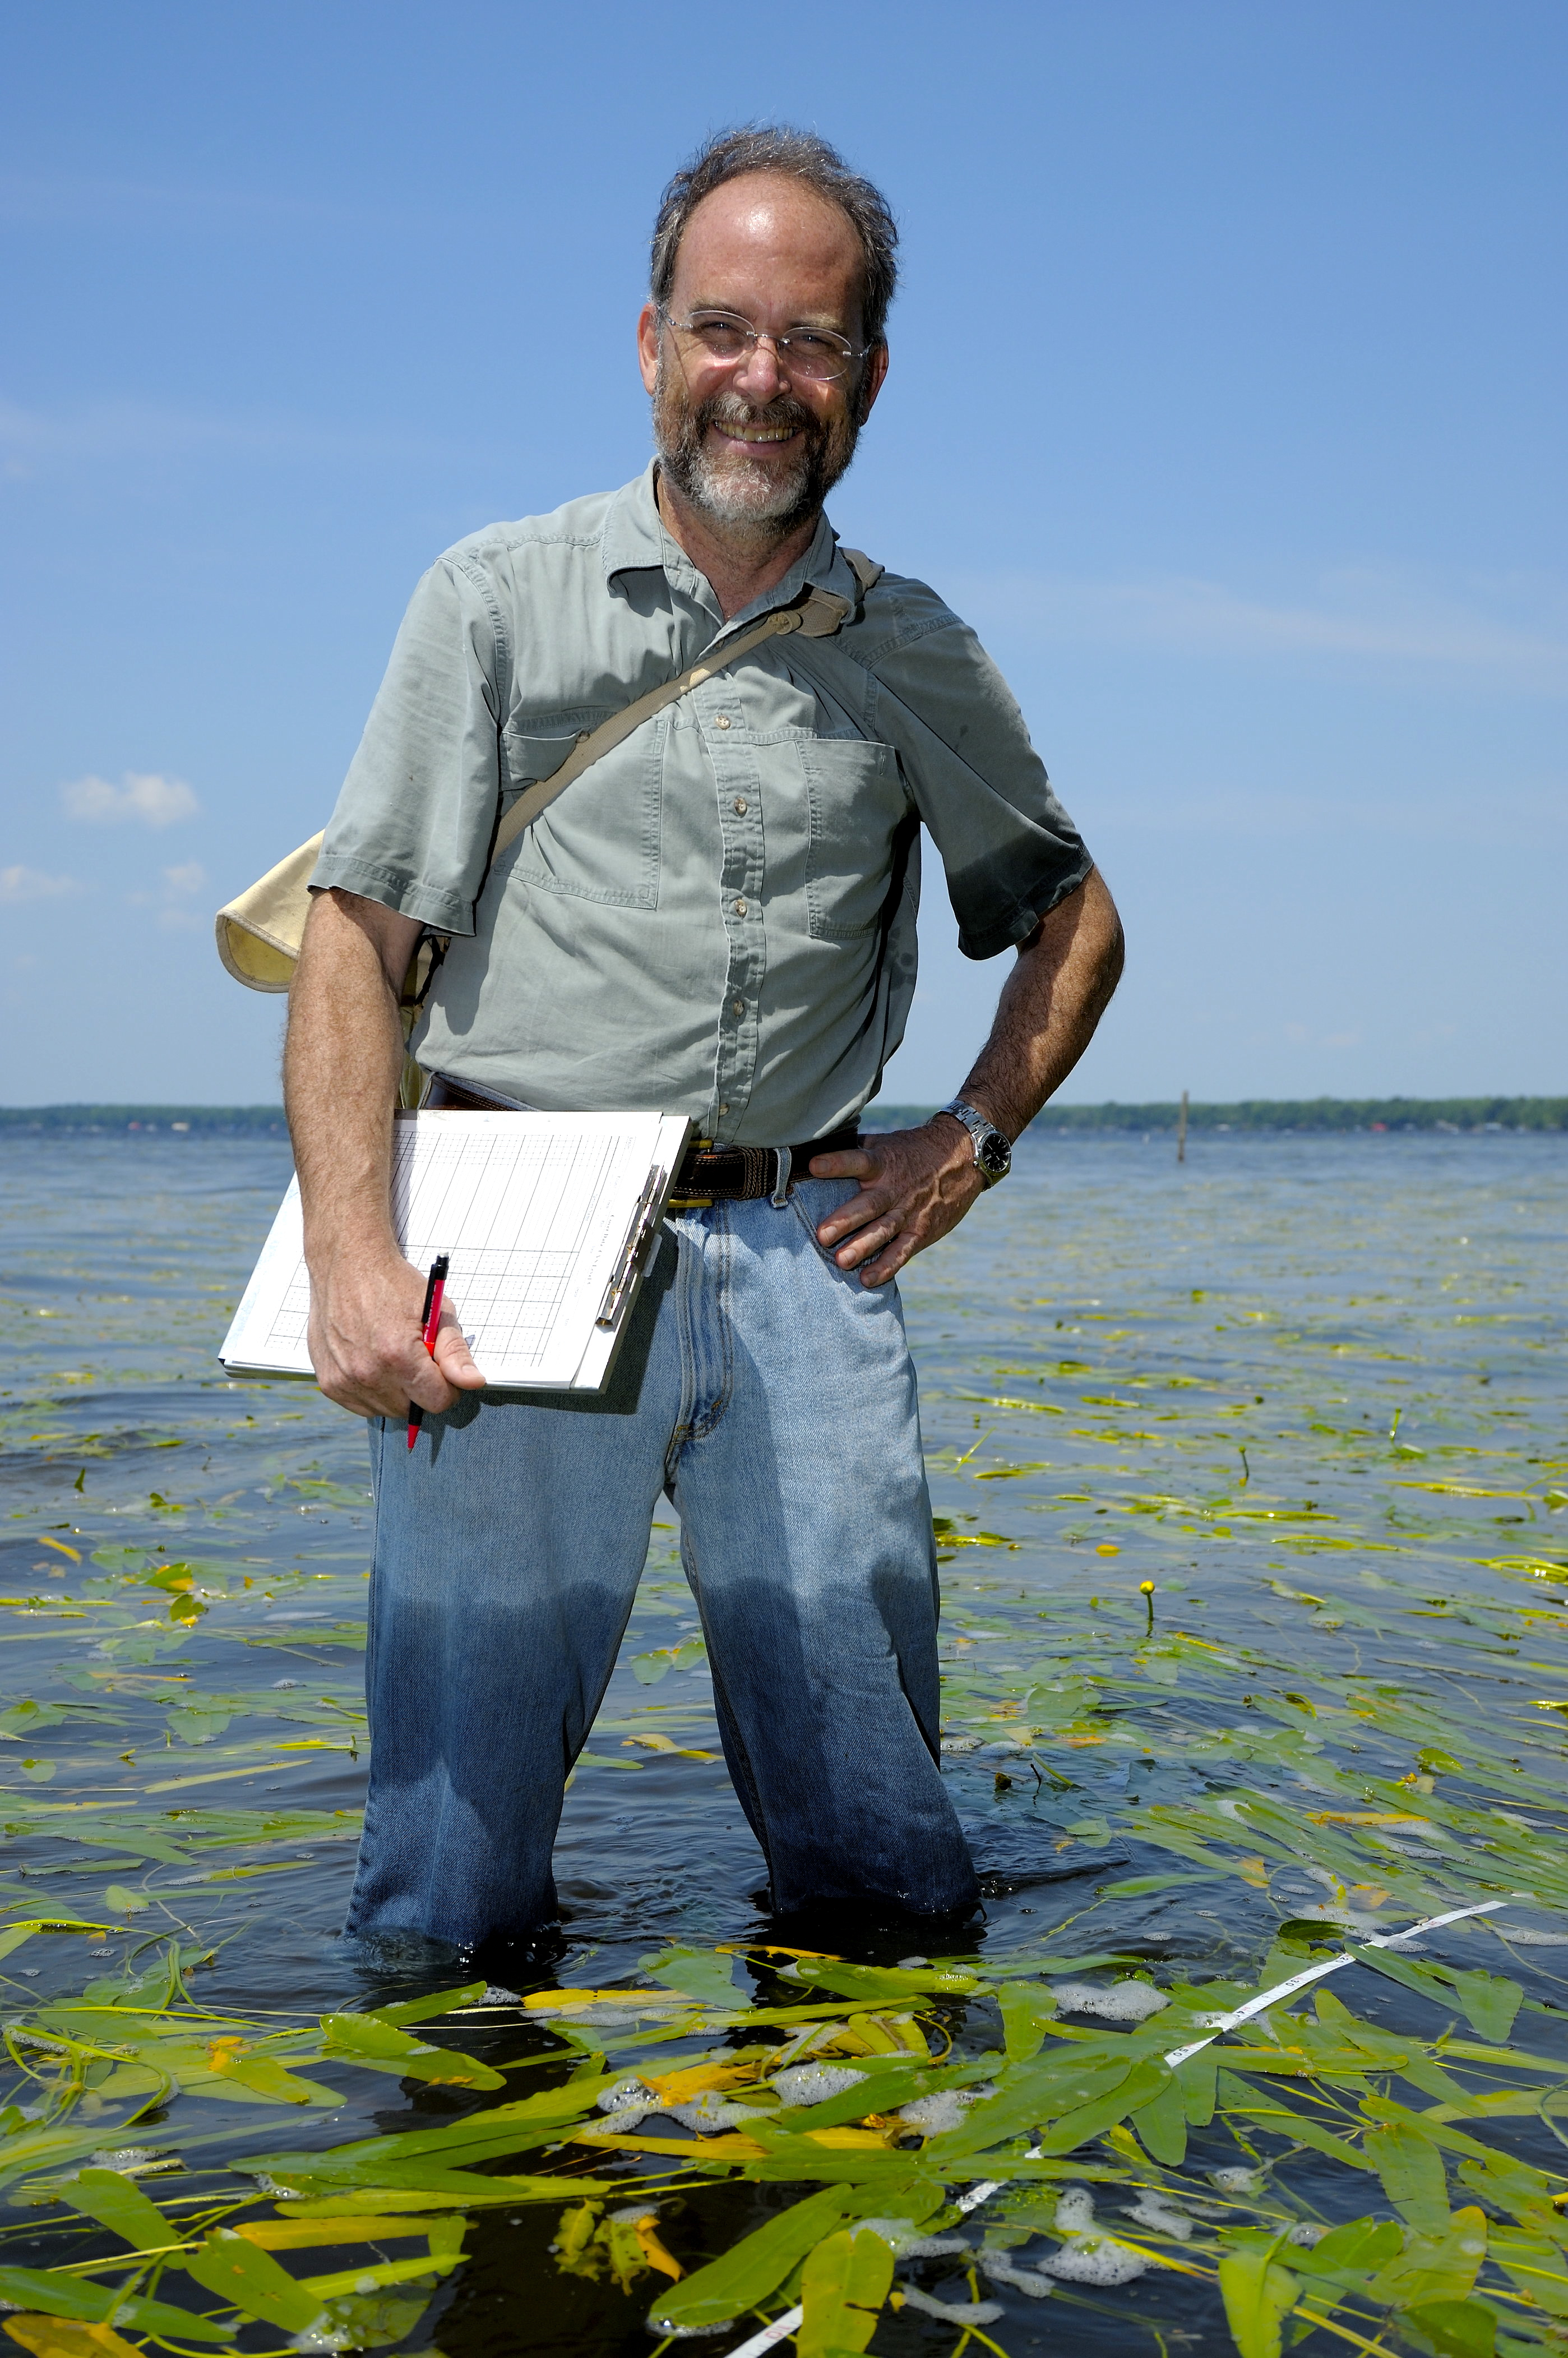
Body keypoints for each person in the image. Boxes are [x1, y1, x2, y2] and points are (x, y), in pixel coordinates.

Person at [284, 126, 1124, 1970]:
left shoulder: (916, 649)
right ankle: (456, 2182)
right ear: (650, 344)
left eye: (811, 344)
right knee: (449, 1873)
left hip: (805, 1259)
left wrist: (968, 1139)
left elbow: (1078, 915)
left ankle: (865, 2187)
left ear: (869, 377)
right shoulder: (494, 601)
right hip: (506, 1238)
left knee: (883, 1857)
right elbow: (356, 944)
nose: (765, 378)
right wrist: (355, 1257)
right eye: (723, 329)